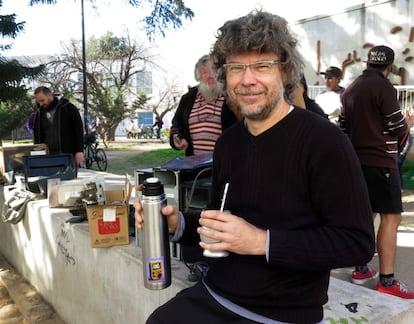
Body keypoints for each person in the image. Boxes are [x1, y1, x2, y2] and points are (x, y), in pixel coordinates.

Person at [135, 10, 375, 324]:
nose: (247, 80)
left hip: (283, 313)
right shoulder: (228, 144)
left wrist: (261, 242)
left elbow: (356, 244)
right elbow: (222, 227)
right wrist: (175, 224)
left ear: (285, 73)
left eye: (262, 66)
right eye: (236, 68)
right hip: (216, 294)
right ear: (225, 77)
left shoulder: (324, 141)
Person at [340, 45, 414, 299]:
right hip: (381, 161)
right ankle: (387, 280)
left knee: (367, 213)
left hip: (355, 161)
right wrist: (408, 123)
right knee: (391, 218)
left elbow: (342, 126)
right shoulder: (383, 87)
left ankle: (361, 269)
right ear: (389, 67)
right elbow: (395, 127)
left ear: (368, 63)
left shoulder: (350, 88)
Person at [169, 54, 240, 156]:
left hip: (226, 166)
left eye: (215, 71)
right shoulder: (187, 99)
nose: (211, 76)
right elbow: (176, 126)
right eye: (205, 72)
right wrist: (176, 138)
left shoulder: (231, 97)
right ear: (198, 76)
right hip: (194, 167)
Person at [32, 86, 84, 166]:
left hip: (67, 154)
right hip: (48, 156)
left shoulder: (68, 108)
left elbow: (79, 129)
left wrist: (79, 151)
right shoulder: (39, 114)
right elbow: (37, 135)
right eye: (38, 101)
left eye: (42, 100)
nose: (40, 104)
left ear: (49, 95)